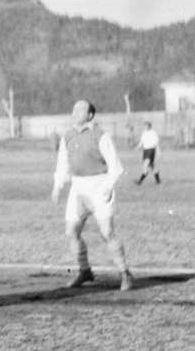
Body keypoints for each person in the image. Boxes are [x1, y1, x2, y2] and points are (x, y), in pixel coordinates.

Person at [52, 101, 134, 292]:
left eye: (80, 109)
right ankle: (85, 271)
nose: (74, 112)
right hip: (78, 188)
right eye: (73, 109)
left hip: (99, 187)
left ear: (89, 115)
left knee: (107, 232)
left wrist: (108, 187)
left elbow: (115, 165)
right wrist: (57, 186)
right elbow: (62, 164)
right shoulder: (68, 135)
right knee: (71, 232)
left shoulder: (99, 135)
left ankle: (125, 274)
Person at [136, 121, 160, 185]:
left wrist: (158, 151)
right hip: (145, 151)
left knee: (145, 165)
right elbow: (142, 142)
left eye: (147, 126)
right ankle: (158, 180)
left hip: (151, 150)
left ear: (149, 126)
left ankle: (140, 181)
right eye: (145, 126)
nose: (145, 127)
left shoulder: (153, 133)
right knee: (152, 166)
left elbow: (156, 143)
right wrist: (137, 148)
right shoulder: (144, 133)